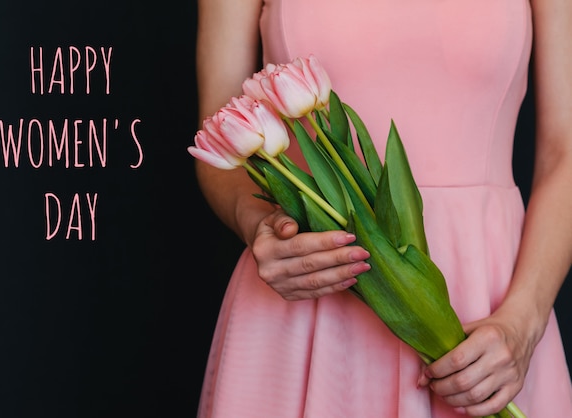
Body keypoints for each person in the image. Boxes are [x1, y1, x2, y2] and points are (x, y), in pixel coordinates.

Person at [192, 0, 572, 416]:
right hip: (307, 294)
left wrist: (525, 321)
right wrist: (260, 227)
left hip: (496, 313)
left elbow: (564, 153)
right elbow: (218, 140)